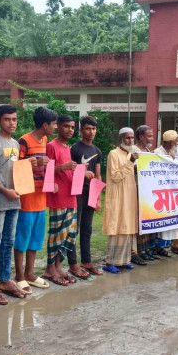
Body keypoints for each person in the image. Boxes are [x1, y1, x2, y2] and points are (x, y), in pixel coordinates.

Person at [0, 105, 27, 300]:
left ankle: (5, 279)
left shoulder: (16, 144)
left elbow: (16, 171)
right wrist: (4, 190)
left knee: (9, 241)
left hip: (14, 201)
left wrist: (22, 185)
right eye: (7, 119)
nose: (12, 123)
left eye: (14, 119)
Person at [14, 107, 56, 293]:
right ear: (45, 125)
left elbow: (46, 167)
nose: (55, 127)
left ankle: (30, 273)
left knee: (36, 238)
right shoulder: (23, 141)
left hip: (41, 196)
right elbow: (15, 168)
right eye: (54, 124)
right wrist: (33, 164)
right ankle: (19, 276)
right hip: (27, 197)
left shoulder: (45, 140)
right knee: (22, 237)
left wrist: (51, 182)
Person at [44, 115, 79, 286]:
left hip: (71, 196)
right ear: (58, 126)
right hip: (58, 197)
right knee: (56, 234)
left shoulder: (67, 148)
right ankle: (50, 268)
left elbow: (69, 171)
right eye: (66, 126)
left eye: (72, 127)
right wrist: (62, 167)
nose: (70, 130)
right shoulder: (51, 146)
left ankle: (58, 266)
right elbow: (47, 171)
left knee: (68, 235)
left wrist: (81, 172)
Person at [67, 116, 104, 276]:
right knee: (74, 229)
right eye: (88, 129)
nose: (91, 132)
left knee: (87, 228)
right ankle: (73, 264)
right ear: (81, 130)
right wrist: (82, 173)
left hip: (91, 192)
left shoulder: (97, 151)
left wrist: (98, 198)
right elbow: (69, 170)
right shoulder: (74, 149)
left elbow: (98, 175)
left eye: (94, 129)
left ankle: (87, 261)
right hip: (76, 192)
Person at [103, 128, 138, 273]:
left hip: (129, 196)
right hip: (118, 197)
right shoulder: (113, 154)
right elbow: (116, 177)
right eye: (127, 138)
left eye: (132, 138)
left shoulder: (132, 155)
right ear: (120, 139)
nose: (130, 140)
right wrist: (130, 162)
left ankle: (125, 260)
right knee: (117, 227)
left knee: (127, 226)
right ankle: (110, 261)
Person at [131, 125, 157, 262]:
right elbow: (131, 168)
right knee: (139, 220)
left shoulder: (147, 150)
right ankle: (139, 250)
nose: (152, 138)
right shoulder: (134, 150)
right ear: (141, 137)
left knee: (148, 218)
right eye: (149, 136)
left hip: (148, 190)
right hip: (137, 189)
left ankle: (148, 248)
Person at [153, 130, 178, 256]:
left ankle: (165, 246)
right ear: (170, 142)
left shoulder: (175, 151)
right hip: (161, 192)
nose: (177, 143)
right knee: (161, 220)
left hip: (172, 191)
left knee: (171, 220)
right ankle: (157, 247)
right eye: (175, 140)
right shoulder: (158, 152)